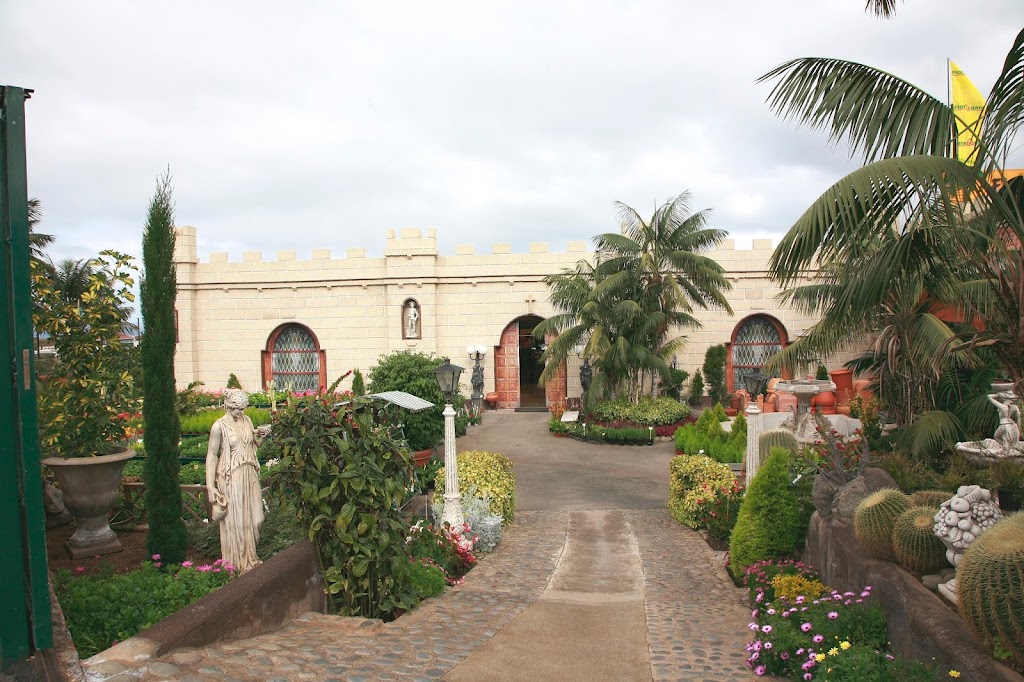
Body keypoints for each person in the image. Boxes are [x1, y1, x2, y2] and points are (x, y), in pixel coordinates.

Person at [206, 389, 271, 573]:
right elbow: (211, 455)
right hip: (231, 477)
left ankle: (251, 557)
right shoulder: (219, 426)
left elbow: (254, 445)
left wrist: (262, 437)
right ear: (228, 406)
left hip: (250, 471)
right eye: (237, 409)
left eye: (243, 409)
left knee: (257, 519)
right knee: (238, 522)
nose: (241, 412)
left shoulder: (248, 420)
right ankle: (238, 564)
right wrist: (210, 486)